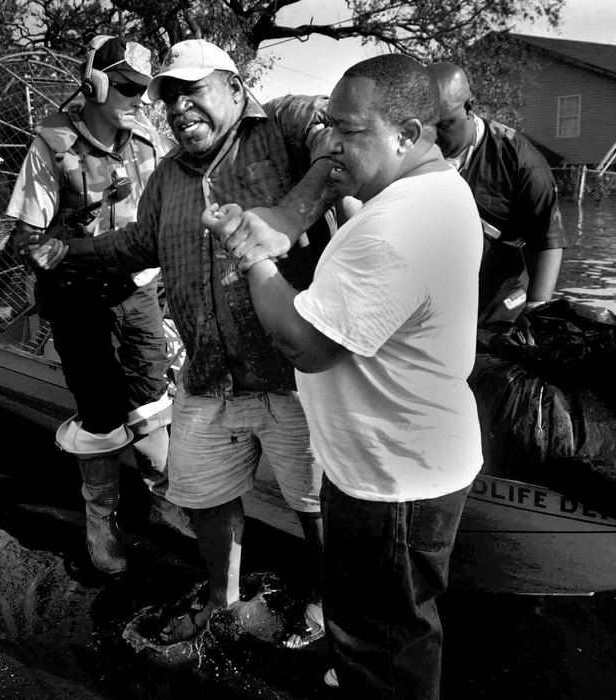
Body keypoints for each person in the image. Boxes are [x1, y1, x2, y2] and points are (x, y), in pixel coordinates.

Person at [27, 38, 336, 646]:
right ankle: (226, 604)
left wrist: (291, 217)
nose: (177, 107)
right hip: (209, 377)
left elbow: (342, 144)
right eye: (168, 97)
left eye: (191, 90)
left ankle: (329, 604)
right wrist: (71, 252)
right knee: (202, 495)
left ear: (235, 87)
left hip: (297, 377)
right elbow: (138, 246)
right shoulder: (167, 175)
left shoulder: (286, 125)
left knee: (317, 506)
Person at [203, 54, 482, 699]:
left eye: (350, 131)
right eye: (329, 126)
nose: (330, 144)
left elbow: (305, 345)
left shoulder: (396, 226)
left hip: (391, 483)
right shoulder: (438, 192)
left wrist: (251, 256)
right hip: (412, 461)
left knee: (380, 641)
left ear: (407, 133)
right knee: (401, 628)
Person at [5, 35, 173, 576]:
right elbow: (28, 238)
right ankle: (101, 523)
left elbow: (163, 221)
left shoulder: (147, 143)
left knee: (153, 402)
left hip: (138, 293)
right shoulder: (51, 145)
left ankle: (167, 508)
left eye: (145, 90)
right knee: (101, 415)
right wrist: (76, 254)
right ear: (96, 83)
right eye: (128, 86)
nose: (139, 99)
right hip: (79, 300)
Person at [427, 61, 565, 326]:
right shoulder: (409, 149)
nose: (433, 136)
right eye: (426, 125)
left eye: (443, 125)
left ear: (469, 107)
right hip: (433, 303)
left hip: (497, 305)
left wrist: (536, 311)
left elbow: (546, 238)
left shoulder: (520, 159)